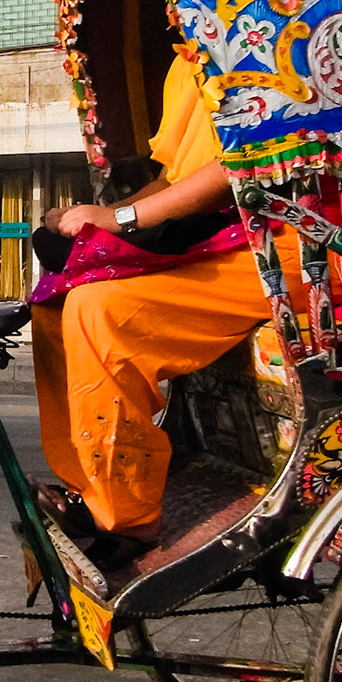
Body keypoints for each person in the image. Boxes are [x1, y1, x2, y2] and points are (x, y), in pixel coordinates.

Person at [29, 54, 285, 564]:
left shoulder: (268, 29)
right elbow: (175, 179)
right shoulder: (189, 61)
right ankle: (86, 483)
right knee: (54, 302)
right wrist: (92, 219)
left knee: (98, 310)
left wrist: (122, 216)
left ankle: (125, 517)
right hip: (216, 241)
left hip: (282, 249)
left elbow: (244, 159)